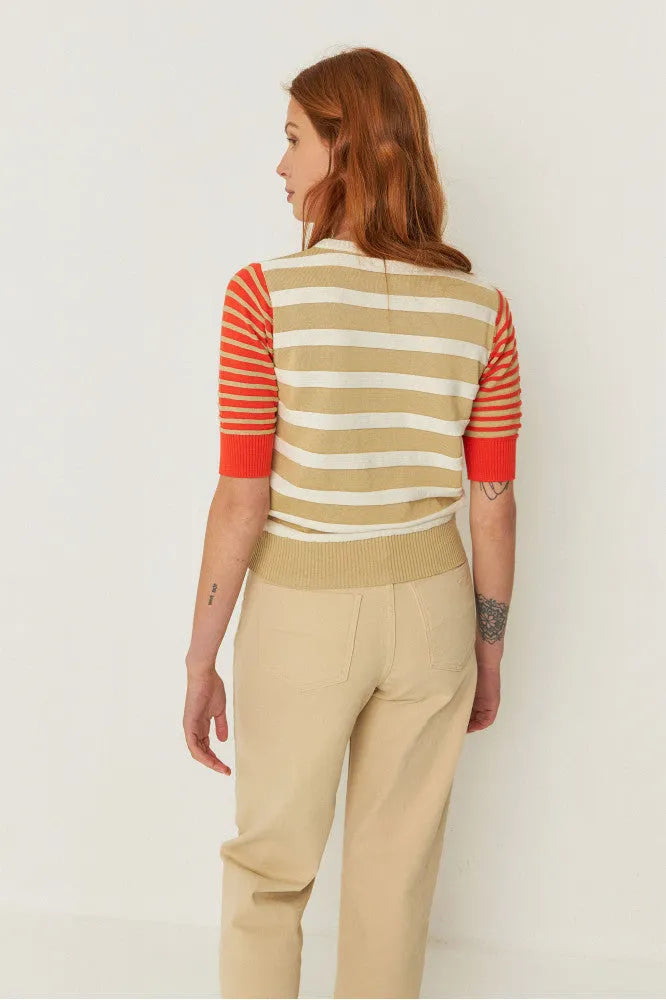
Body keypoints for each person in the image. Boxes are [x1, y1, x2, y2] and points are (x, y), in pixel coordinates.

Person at [183, 45, 521, 1000]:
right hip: (434, 615)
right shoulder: (483, 310)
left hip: (305, 613)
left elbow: (242, 497)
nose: (280, 164)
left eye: (294, 139)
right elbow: (494, 504)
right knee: (394, 885)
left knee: (268, 874)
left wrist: (201, 659)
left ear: (349, 148)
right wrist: (489, 649)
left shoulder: (264, 297)